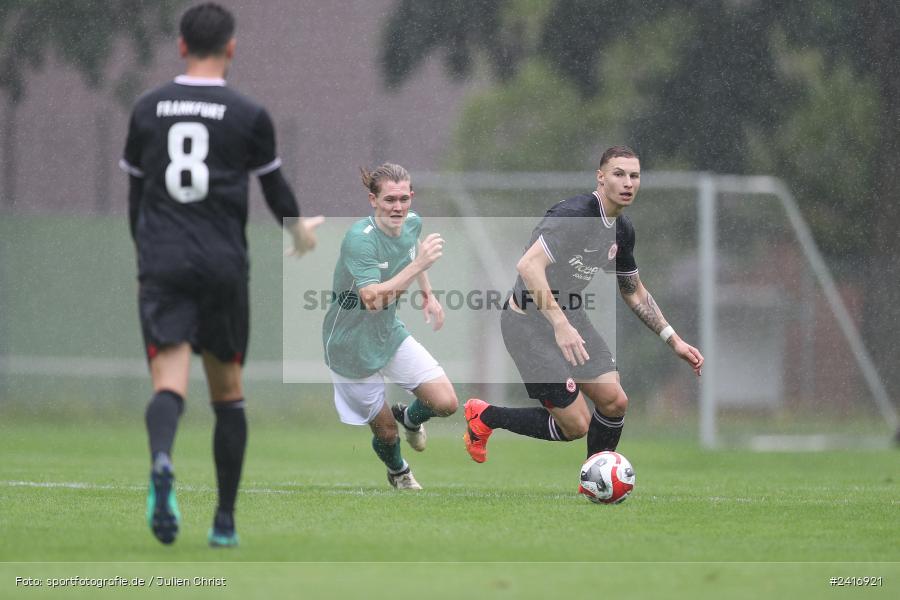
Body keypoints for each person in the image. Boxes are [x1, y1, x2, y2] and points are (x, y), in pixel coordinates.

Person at [119, 2, 323, 547]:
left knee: (169, 382)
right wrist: (300, 233)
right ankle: (224, 523)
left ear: (181, 45)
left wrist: (149, 262)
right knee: (227, 395)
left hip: (163, 262)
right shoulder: (247, 113)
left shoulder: (147, 108)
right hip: (222, 266)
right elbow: (275, 192)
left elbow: (137, 199)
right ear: (231, 47)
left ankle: (162, 460)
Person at [464, 146, 703, 462]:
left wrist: (673, 339)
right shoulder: (575, 216)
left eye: (634, 176)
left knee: (615, 401)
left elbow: (633, 291)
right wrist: (560, 325)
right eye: (619, 174)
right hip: (527, 324)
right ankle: (486, 416)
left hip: (569, 315)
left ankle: (595, 479)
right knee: (576, 425)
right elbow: (528, 266)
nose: (627, 182)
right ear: (601, 178)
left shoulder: (622, 229)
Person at [322, 163, 458, 489]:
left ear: (411, 196)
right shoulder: (360, 240)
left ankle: (410, 418)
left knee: (446, 403)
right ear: (373, 200)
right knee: (385, 432)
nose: (397, 207)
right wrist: (419, 265)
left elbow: (413, 250)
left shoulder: (411, 223)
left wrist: (428, 296)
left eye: (403, 198)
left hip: (388, 333)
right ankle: (398, 471)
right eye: (389, 200)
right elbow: (372, 300)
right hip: (349, 346)